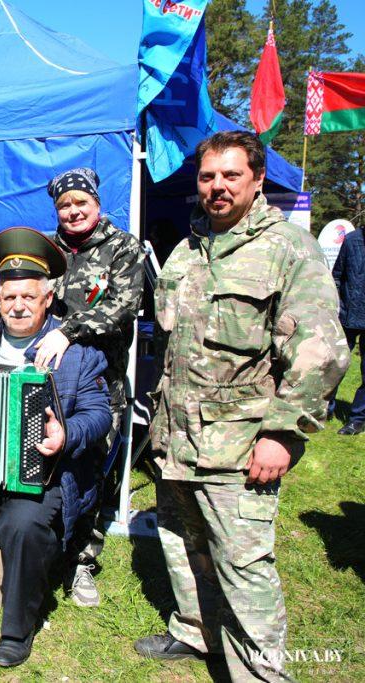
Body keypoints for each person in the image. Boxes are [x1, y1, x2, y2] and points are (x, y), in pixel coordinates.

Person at [134, 131, 349, 681]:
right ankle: (195, 630)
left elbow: (320, 349)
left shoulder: (287, 249)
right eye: (208, 177)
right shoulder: (188, 249)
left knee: (244, 563)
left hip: (241, 441)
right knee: (182, 540)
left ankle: (260, 672)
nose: (218, 187)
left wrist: (283, 431)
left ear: (256, 180)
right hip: (178, 435)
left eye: (231, 175)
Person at [0, 167, 144, 607]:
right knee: (40, 468)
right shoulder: (49, 252)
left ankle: (82, 559)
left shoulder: (124, 248)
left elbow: (125, 307)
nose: (73, 211)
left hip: (97, 379)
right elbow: (7, 293)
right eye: (64, 205)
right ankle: (33, 547)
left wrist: (69, 331)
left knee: (94, 472)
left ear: (96, 203)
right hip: (42, 381)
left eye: (80, 202)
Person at [0, 227, 111, 667]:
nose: (18, 306)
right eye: (9, 298)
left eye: (28, 297)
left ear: (47, 300)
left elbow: (100, 414)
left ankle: (17, 629)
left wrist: (66, 434)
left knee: (23, 525)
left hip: (43, 474)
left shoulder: (76, 350)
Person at [331, 226, 365, 434]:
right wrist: (336, 307)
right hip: (347, 316)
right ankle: (324, 408)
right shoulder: (352, 240)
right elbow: (337, 275)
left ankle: (358, 418)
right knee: (334, 365)